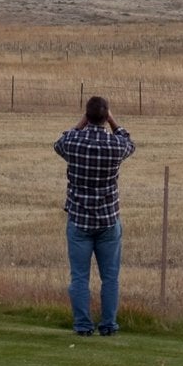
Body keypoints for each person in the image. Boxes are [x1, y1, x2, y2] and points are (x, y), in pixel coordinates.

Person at [53, 95, 135, 336]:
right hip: (108, 219)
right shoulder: (114, 146)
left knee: (79, 277)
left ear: (87, 117)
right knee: (110, 278)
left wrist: (81, 123)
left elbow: (60, 142)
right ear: (106, 115)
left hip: (79, 218)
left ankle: (83, 325)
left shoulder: (74, 143)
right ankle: (108, 325)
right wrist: (113, 121)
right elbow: (128, 141)